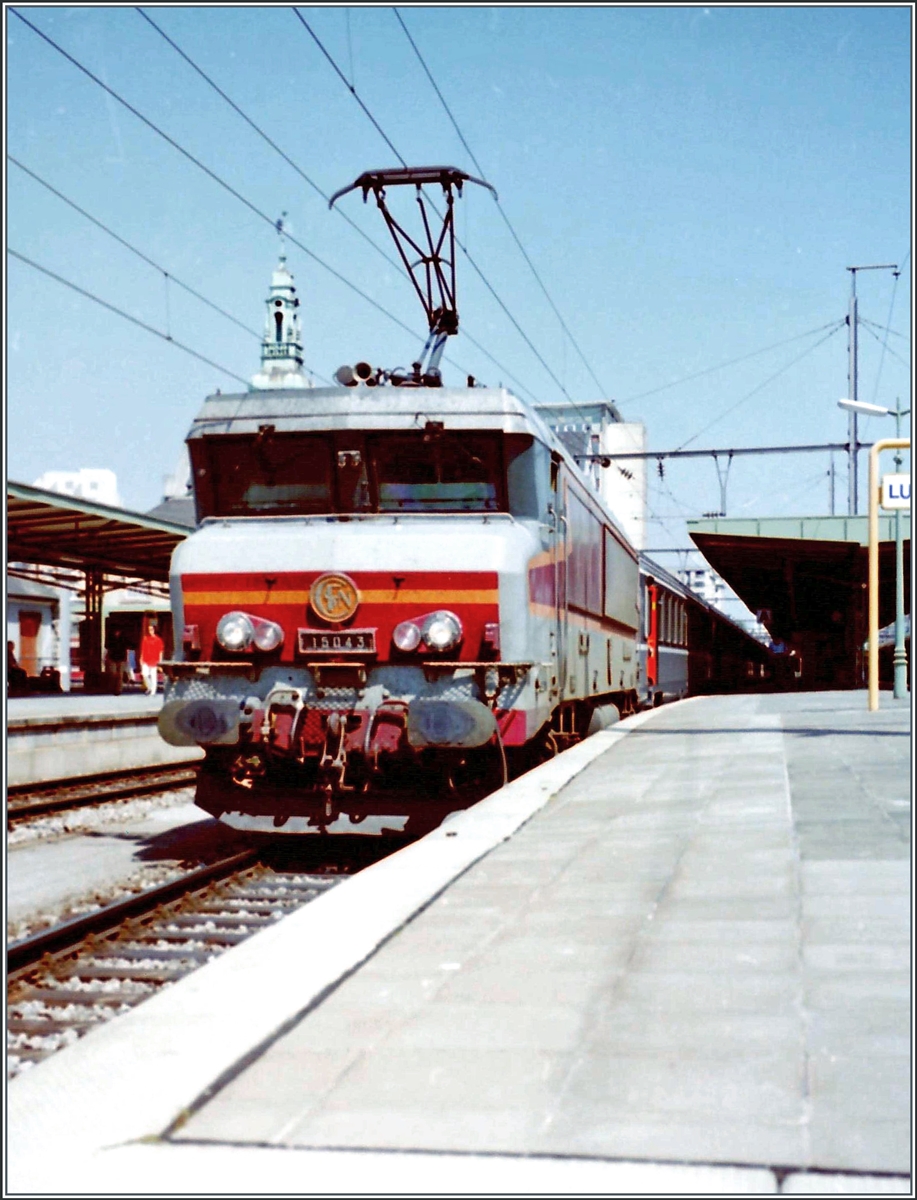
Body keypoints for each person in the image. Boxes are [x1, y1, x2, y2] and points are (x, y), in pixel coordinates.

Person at [139, 621, 165, 696]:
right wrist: (141, 658)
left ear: (154, 630)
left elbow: (160, 651)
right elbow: (143, 649)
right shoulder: (145, 639)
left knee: (153, 676)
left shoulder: (158, 640)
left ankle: (153, 691)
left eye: (152, 629)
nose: (150, 631)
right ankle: (150, 687)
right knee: (144, 674)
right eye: (149, 629)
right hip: (146, 659)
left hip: (154, 660)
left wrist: (160, 661)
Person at [105, 626, 128, 696]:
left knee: (120, 675)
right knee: (113, 674)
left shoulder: (123, 638)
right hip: (113, 658)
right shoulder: (110, 637)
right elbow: (106, 646)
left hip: (121, 658)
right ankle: (113, 688)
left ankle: (118, 690)